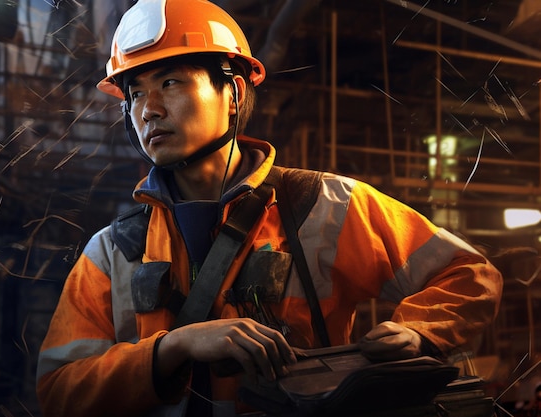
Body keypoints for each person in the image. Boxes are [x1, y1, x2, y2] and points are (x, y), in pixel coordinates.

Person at [36, 1, 503, 416]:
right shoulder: (114, 250)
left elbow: (469, 274)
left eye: (171, 81)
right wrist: (172, 348)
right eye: (135, 92)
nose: (148, 110)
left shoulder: (324, 207)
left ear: (234, 91)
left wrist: (420, 332)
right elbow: (59, 391)